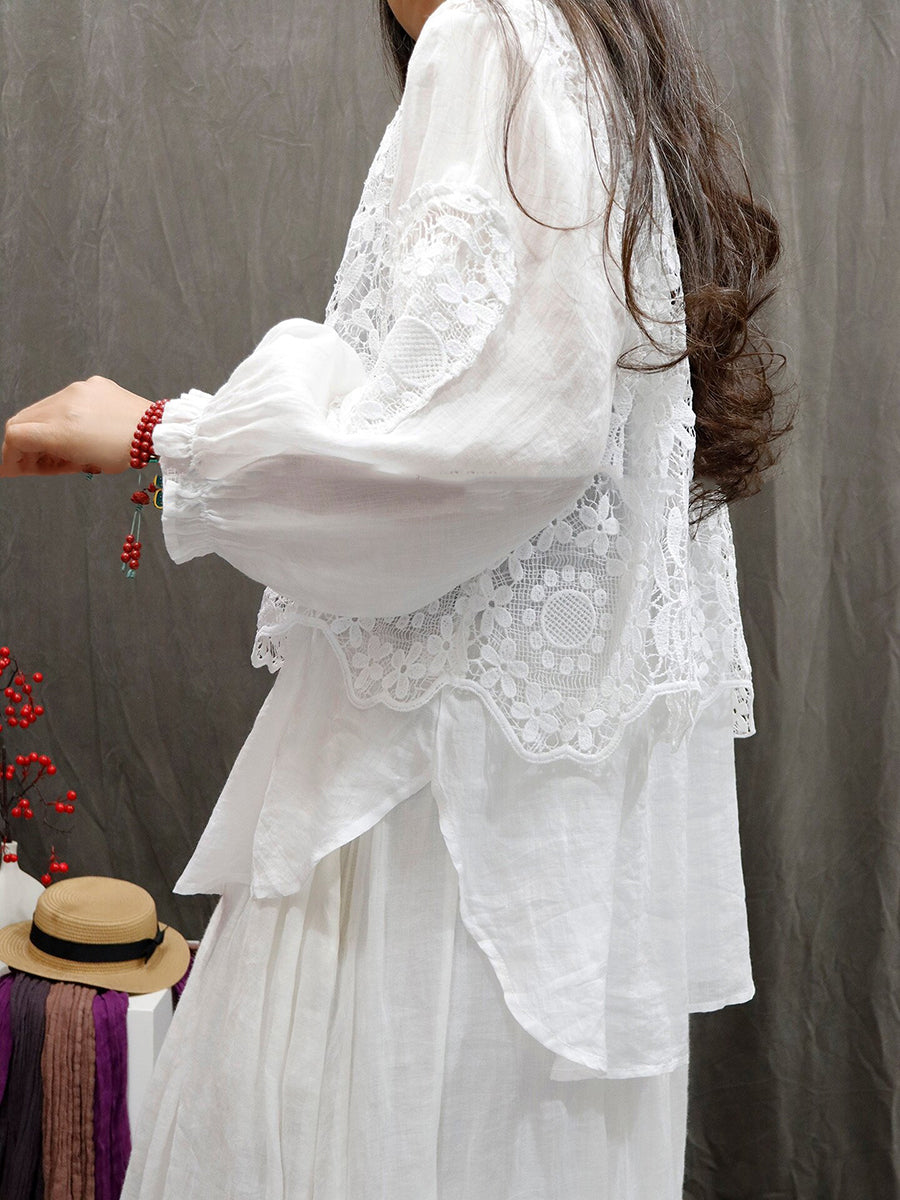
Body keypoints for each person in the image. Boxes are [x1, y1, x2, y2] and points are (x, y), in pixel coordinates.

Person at [0, 0, 789, 1195]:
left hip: (436, 818)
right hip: (537, 836)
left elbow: (501, 439)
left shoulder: (494, 35)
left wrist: (166, 435)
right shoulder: (589, 66)